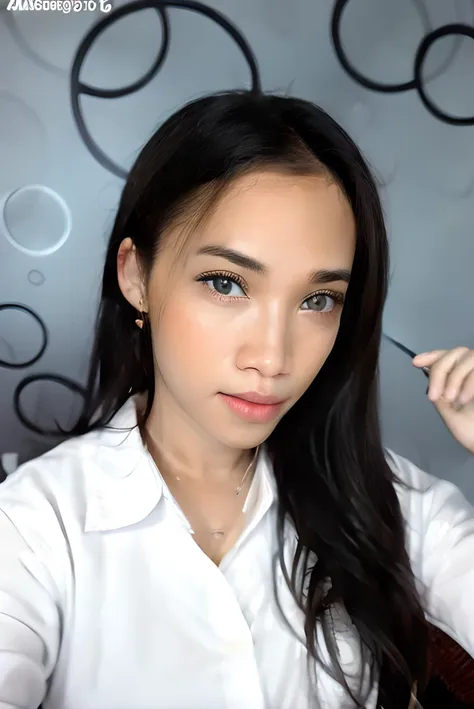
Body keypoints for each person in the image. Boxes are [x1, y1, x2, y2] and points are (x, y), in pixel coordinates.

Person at [0, 91, 473, 709]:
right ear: (136, 276)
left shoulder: (391, 503)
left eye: (317, 300)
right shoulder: (35, 528)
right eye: (226, 284)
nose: (272, 358)